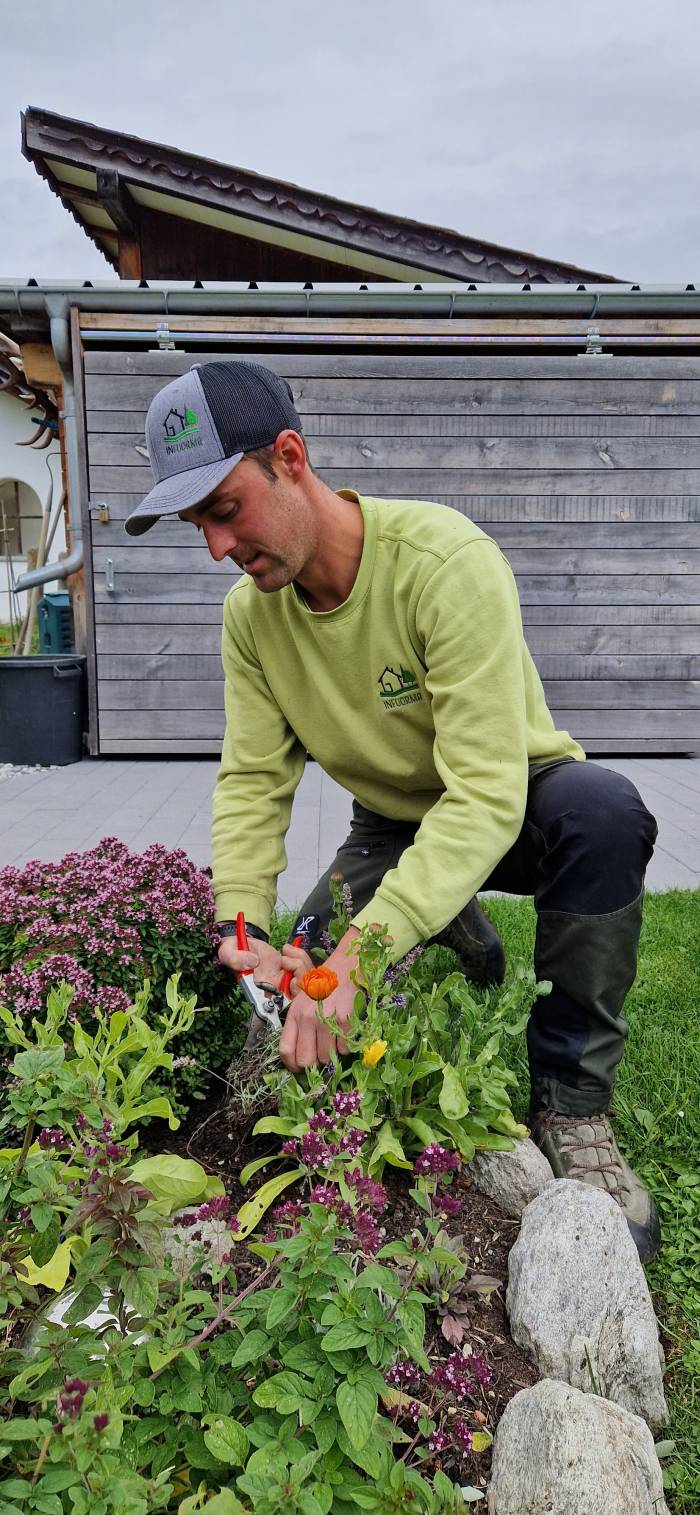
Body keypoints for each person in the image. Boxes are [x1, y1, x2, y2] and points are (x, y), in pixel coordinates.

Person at [126, 358, 660, 1261]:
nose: (217, 547)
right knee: (304, 970)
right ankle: (444, 916)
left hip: (515, 798)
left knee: (605, 814)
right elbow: (254, 779)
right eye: (196, 527)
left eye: (224, 510)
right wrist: (240, 918)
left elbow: (486, 795)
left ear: (290, 458)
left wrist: (363, 955)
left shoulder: (445, 563)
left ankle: (573, 1103)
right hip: (390, 825)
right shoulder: (249, 621)